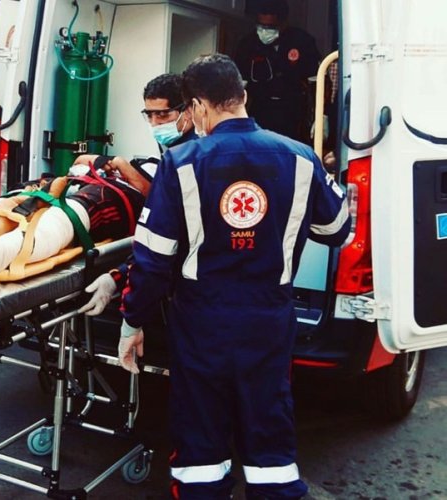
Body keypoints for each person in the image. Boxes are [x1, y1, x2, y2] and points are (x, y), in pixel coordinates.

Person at [117, 54, 351, 499]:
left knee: (200, 443)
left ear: (197, 106)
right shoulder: (300, 158)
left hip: (201, 324)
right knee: (270, 439)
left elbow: (153, 259)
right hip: (269, 320)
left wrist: (133, 320)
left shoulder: (181, 162)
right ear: (243, 96)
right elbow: (337, 229)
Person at [0, 157, 153, 287]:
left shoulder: (157, 169)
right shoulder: (111, 167)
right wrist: (97, 161)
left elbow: (151, 195)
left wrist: (122, 165)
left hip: (106, 201)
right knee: (22, 200)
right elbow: (78, 162)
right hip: (75, 186)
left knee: (72, 211)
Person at [80, 72, 196, 315]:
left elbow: (160, 234)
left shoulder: (187, 159)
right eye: (149, 115)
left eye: (162, 115)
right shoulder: (177, 151)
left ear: (187, 111)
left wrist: (120, 276)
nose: (155, 123)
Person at [234, 0, 321, 141]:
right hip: (259, 110)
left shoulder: (302, 41)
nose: (265, 31)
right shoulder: (247, 44)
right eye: (261, 25)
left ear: (283, 23)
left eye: (270, 27)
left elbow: (318, 82)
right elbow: (238, 86)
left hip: (293, 112)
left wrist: (321, 116)